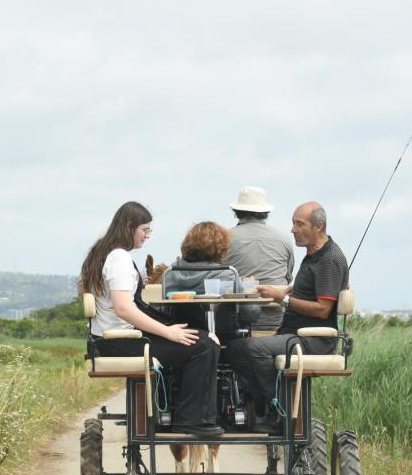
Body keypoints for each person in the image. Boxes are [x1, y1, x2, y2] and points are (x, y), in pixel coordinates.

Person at [79, 201, 222, 437]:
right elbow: (124, 309)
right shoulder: (119, 258)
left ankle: (174, 412)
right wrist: (168, 332)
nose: (147, 235)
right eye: (144, 230)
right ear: (129, 227)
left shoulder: (102, 252)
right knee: (204, 346)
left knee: (199, 337)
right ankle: (193, 420)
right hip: (122, 342)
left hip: (109, 339)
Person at [226, 201, 349, 433]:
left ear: (318, 226)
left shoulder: (328, 260)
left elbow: (323, 310)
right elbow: (313, 290)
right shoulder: (313, 255)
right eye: (293, 223)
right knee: (235, 349)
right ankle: (267, 407)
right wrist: (290, 290)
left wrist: (281, 299)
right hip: (294, 333)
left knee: (248, 348)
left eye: (299, 224)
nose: (293, 229)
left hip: (312, 339)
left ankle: (279, 410)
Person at [161, 221, 260, 344]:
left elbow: (164, 310)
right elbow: (251, 314)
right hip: (223, 337)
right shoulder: (228, 274)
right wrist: (248, 288)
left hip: (182, 337)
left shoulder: (170, 273)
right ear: (221, 248)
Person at [224, 186, 294, 331]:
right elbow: (288, 277)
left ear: (236, 211)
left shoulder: (224, 239)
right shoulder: (283, 239)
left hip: (238, 323)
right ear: (265, 212)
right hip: (276, 322)